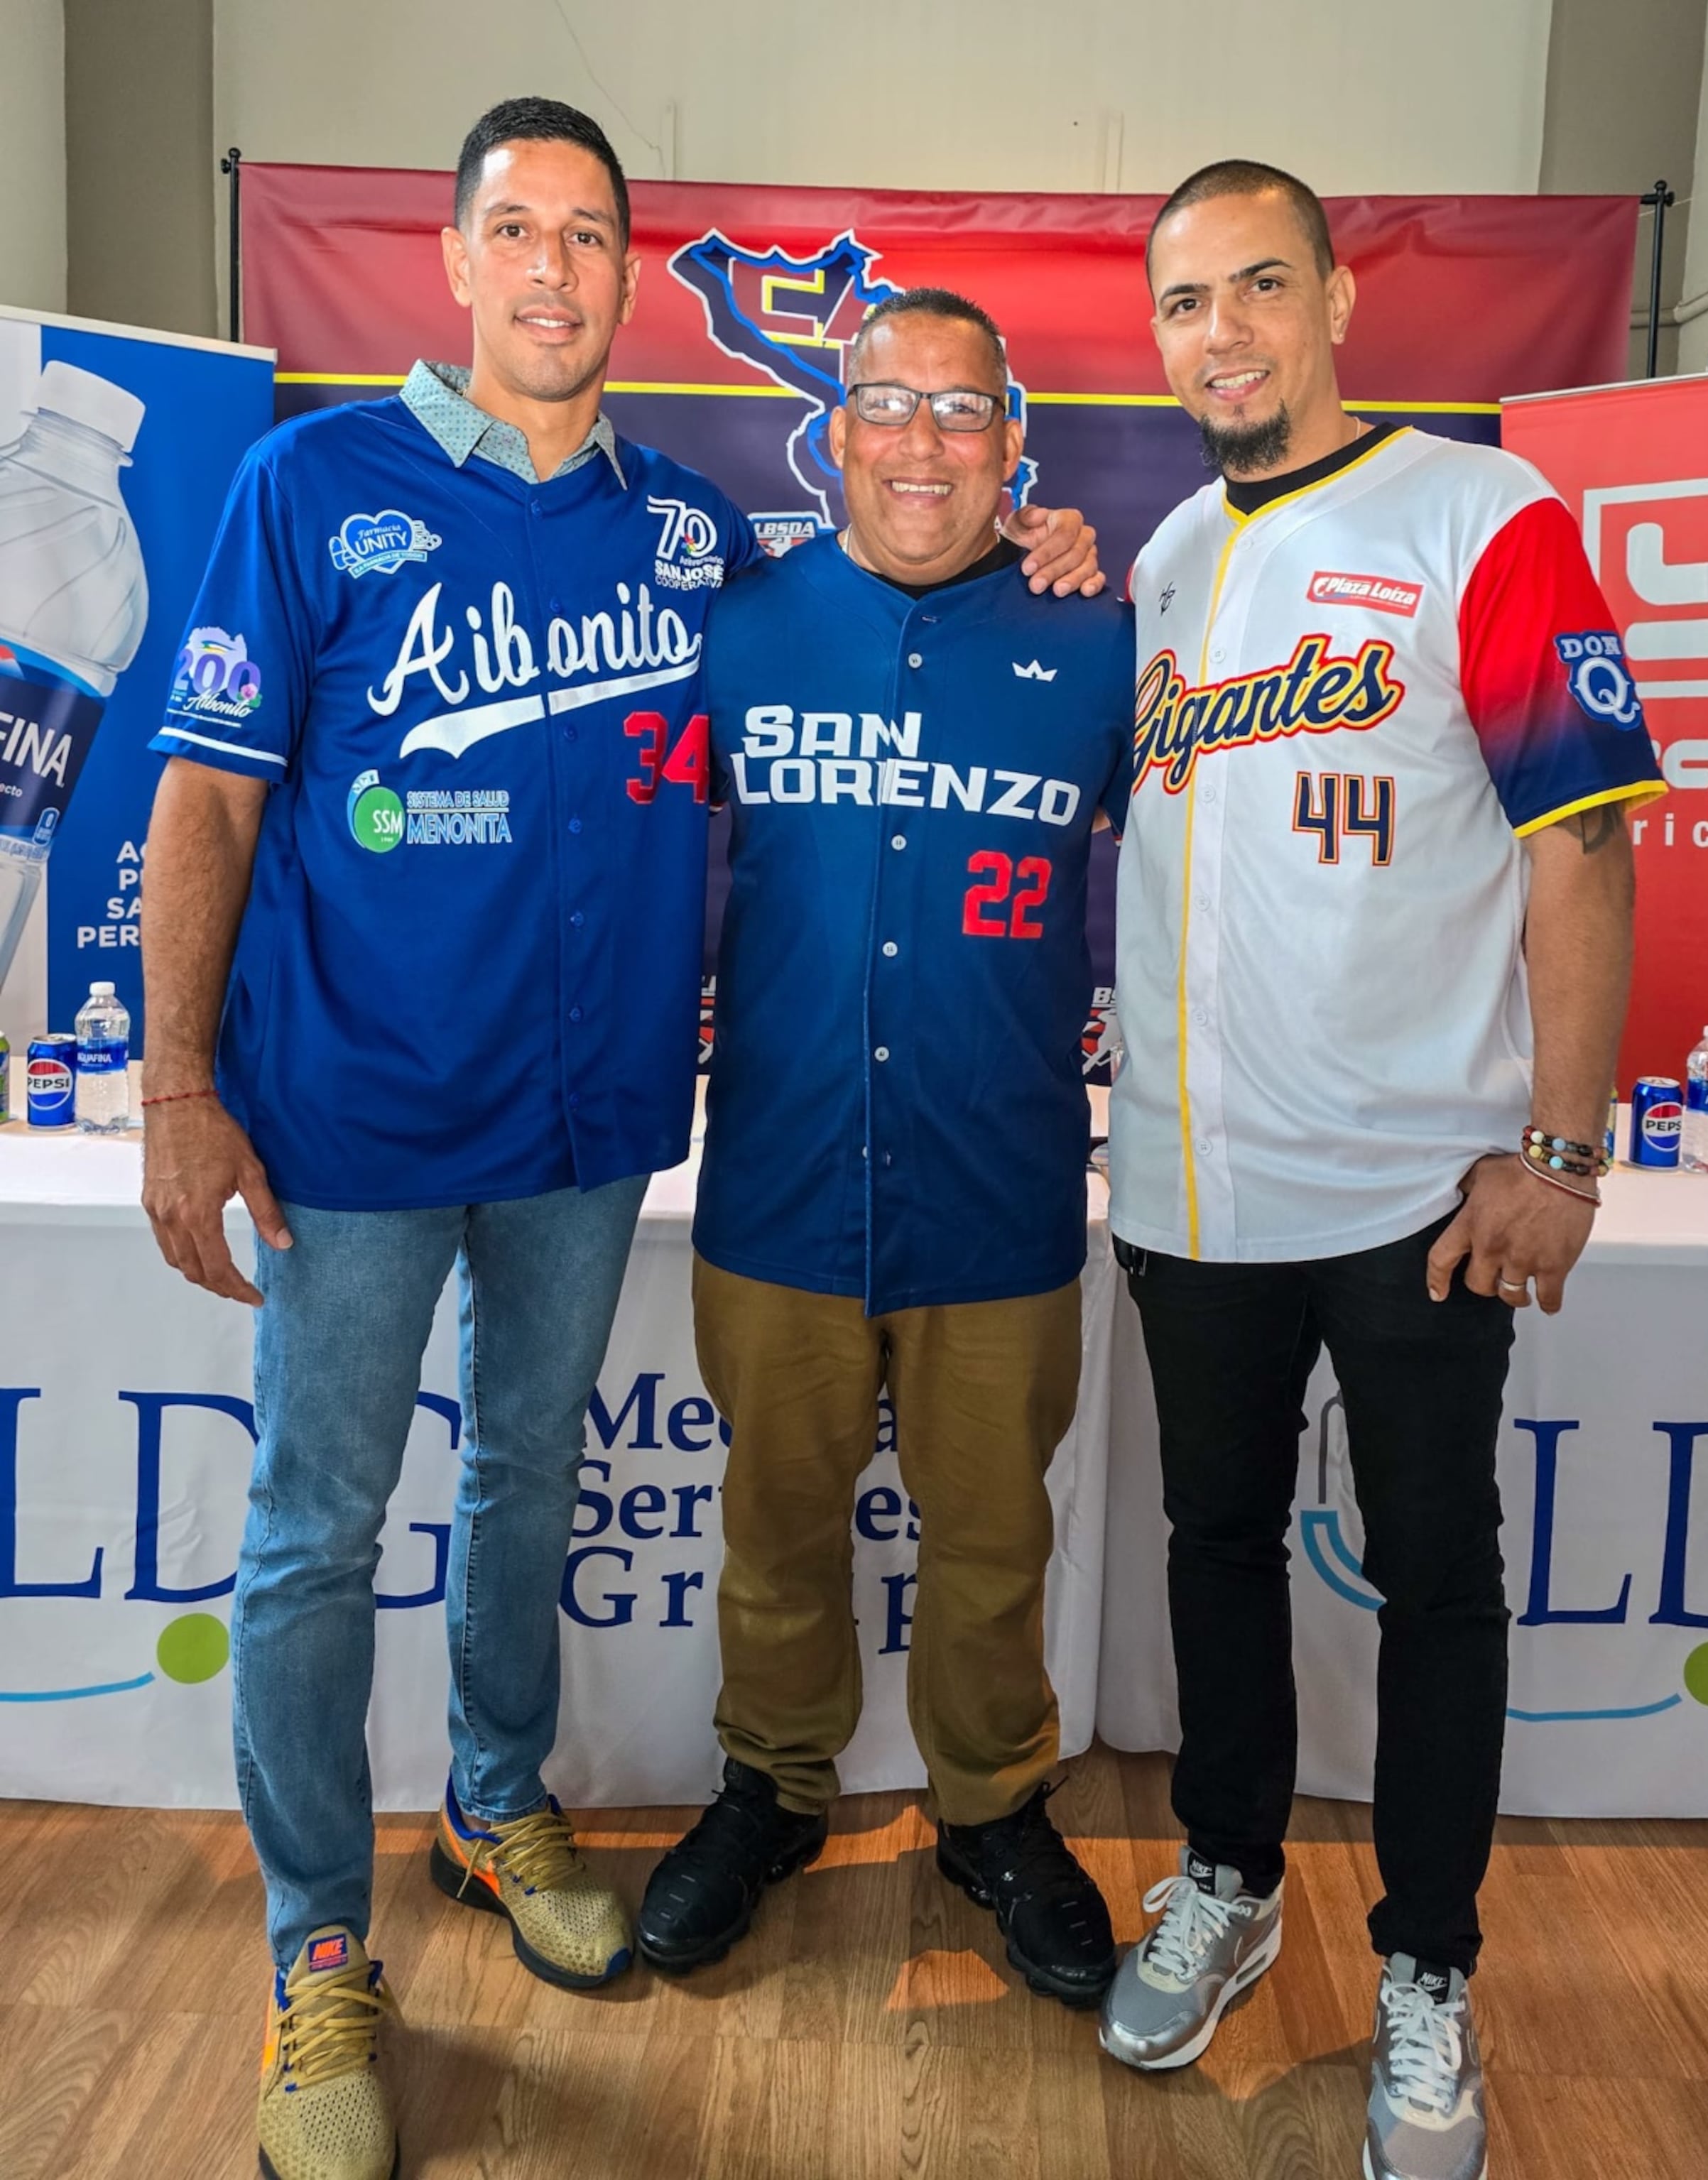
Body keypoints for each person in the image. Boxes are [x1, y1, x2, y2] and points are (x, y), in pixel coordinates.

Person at [138, 101, 1099, 2180]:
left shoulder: (688, 534)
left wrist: (1048, 542)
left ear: (628, 272)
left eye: (592, 235)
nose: (556, 269)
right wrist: (175, 1081)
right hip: (350, 1122)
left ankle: (496, 1802)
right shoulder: (315, 481)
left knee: (520, 1471)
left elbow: (887, 611)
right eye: (520, 230)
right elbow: (204, 797)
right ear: (459, 262)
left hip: (584, 1132)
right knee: (313, 1530)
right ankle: (317, 1942)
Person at [1094, 160, 1664, 2180]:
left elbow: (1580, 838)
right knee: (1216, 1553)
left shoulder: (1477, 515)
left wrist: (1563, 1150)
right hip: (1189, 1194)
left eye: (1259, 283)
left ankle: (1429, 1965)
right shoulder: (1161, 561)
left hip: (1425, 1193)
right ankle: (1233, 1871)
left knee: (1438, 1586)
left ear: (1338, 296)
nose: (1222, 329)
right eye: (1184, 300)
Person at [633, 289, 1132, 2008]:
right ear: (832, 434)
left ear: (1011, 441)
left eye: (962, 408)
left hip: (997, 1189)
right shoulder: (735, 627)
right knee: (772, 1526)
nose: (923, 439)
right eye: (889, 404)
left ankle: (992, 1809)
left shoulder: (1100, 643)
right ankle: (771, 1788)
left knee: (991, 1542)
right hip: (773, 1178)